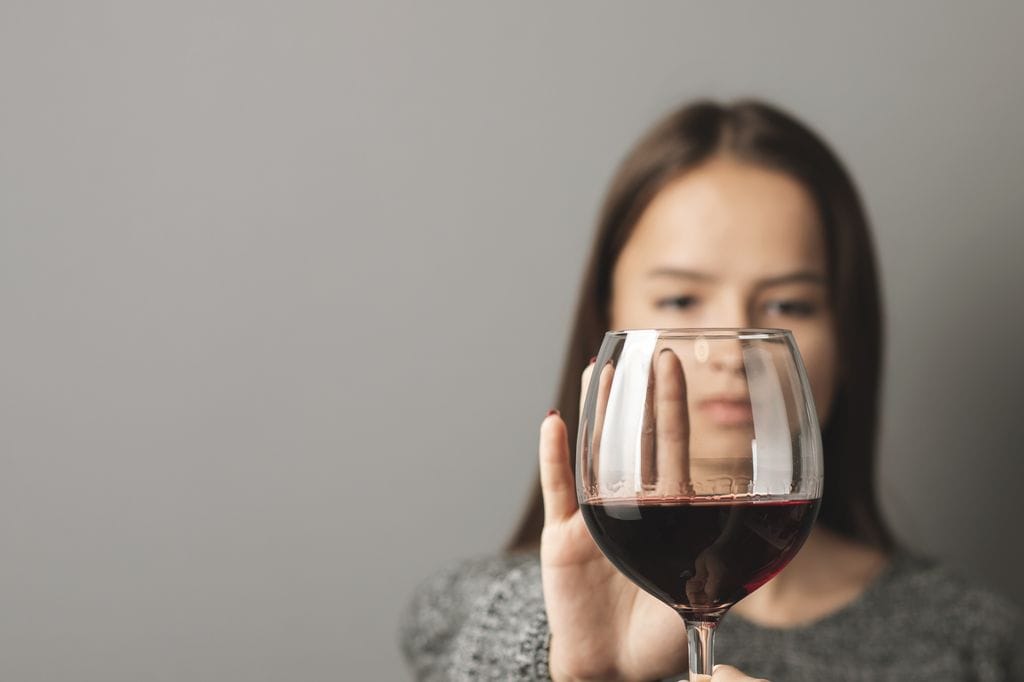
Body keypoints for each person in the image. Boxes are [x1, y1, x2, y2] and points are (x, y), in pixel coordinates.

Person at [399, 100, 1022, 681]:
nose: (729, 352)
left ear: (847, 334)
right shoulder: (473, 618)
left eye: (788, 303)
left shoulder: (967, 638)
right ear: (606, 319)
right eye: (679, 299)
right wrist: (573, 669)